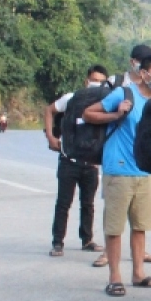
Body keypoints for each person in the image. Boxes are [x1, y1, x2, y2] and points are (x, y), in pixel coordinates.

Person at [82, 54, 151, 297]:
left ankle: (139, 273)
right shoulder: (124, 94)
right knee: (114, 227)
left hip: (145, 171)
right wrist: (115, 115)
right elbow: (89, 113)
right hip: (118, 169)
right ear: (143, 73)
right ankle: (114, 277)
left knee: (140, 226)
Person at [44, 64, 109, 258]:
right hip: (68, 159)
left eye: (101, 81)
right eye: (94, 80)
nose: (96, 84)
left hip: (91, 164)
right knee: (63, 202)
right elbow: (49, 110)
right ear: (86, 80)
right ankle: (57, 243)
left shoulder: (106, 101)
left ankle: (87, 240)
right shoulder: (71, 98)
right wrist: (50, 137)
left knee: (88, 204)